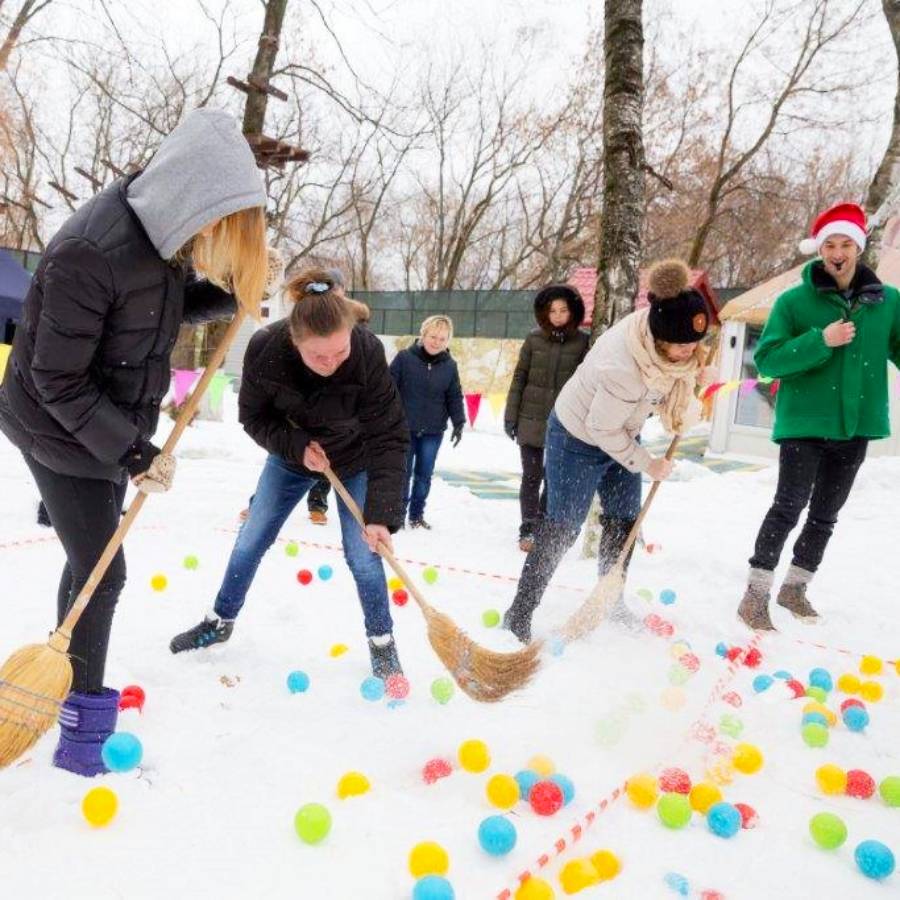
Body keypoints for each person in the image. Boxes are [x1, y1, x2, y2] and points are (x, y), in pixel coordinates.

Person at [0, 108, 271, 775]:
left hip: (105, 421)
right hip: (54, 425)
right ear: (193, 196)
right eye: (220, 222)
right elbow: (56, 380)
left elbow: (156, 308)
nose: (215, 237)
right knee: (105, 572)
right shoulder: (89, 251)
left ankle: (68, 671)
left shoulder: (159, 237)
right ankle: (81, 732)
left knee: (88, 561)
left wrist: (228, 296)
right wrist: (133, 451)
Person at [170, 268, 409, 678]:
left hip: (355, 458)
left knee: (364, 553)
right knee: (253, 535)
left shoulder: (367, 351)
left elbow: (389, 434)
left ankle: (382, 644)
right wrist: (296, 448)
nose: (332, 363)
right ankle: (219, 620)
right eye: (319, 356)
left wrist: (382, 515)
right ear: (295, 341)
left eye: (340, 353)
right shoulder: (266, 349)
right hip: (292, 453)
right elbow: (254, 417)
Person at [501, 259, 710, 643]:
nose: (689, 352)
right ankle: (519, 611)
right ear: (660, 338)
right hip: (578, 437)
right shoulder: (624, 364)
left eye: (694, 343)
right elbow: (601, 428)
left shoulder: (673, 345)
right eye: (682, 346)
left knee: (624, 518)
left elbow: (672, 397)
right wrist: (647, 463)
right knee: (562, 526)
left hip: (622, 431)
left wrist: (689, 399)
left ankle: (609, 599)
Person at [738, 202, 900, 630]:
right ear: (820, 250)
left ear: (859, 248)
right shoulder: (794, 302)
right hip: (805, 423)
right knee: (788, 506)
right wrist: (821, 340)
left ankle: (795, 587)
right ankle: (755, 594)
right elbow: (768, 361)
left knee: (827, 513)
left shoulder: (887, 302)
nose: (838, 252)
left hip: (857, 424)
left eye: (847, 243)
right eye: (830, 244)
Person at [237, 270, 371, 526]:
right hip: (295, 441)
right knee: (263, 513)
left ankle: (317, 506)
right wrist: (296, 444)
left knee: (326, 479)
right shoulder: (275, 345)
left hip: (346, 445)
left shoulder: (360, 344)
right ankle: (258, 505)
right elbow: (256, 415)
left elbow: (381, 415)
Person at [504, 284, 589, 552]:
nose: (558, 315)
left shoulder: (584, 342)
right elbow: (520, 377)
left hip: (564, 424)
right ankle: (527, 527)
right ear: (544, 312)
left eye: (563, 310)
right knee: (531, 476)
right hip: (530, 418)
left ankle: (542, 525)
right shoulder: (533, 339)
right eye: (552, 310)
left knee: (553, 478)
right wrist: (511, 415)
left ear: (572, 311)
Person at [389, 314, 465, 529]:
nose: (436, 342)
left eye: (442, 339)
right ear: (423, 334)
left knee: (424, 475)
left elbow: (454, 395)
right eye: (433, 336)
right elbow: (388, 388)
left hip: (433, 431)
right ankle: (398, 515)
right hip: (404, 428)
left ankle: (416, 515)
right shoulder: (404, 358)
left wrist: (458, 422)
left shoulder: (450, 366)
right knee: (402, 474)